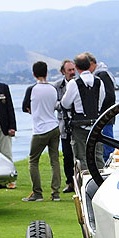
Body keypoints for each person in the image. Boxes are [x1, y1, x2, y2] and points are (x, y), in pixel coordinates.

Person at [20, 61, 61, 202]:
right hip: (54, 126)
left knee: (33, 161)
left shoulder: (32, 89)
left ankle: (37, 193)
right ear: (46, 72)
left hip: (40, 129)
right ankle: (56, 193)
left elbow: (25, 107)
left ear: (33, 74)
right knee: (54, 160)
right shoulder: (53, 88)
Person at [59, 53, 102, 168]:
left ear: (77, 68)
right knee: (98, 157)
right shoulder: (99, 81)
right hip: (96, 124)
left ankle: (85, 184)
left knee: (81, 159)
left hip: (79, 125)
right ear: (89, 65)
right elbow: (101, 101)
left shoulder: (74, 83)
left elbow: (65, 103)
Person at [84, 52, 116, 158]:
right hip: (105, 116)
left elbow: (110, 96)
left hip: (105, 116)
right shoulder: (100, 74)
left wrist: (96, 106)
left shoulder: (102, 75)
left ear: (92, 63)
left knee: (107, 147)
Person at [54, 58, 76, 192]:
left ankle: (80, 181)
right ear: (63, 72)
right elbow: (54, 103)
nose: (72, 72)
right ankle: (69, 182)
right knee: (67, 155)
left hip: (78, 124)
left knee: (79, 154)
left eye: (73, 69)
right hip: (64, 124)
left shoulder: (79, 84)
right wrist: (64, 105)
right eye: (69, 70)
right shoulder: (57, 86)